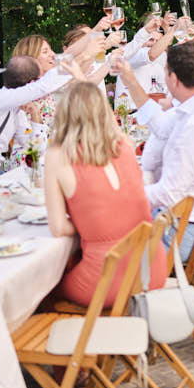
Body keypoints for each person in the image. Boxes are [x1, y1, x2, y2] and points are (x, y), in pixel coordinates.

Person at [44, 81, 165, 307]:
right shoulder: (125, 143)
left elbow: (58, 228)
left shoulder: (58, 155)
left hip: (107, 280)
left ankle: (91, 329)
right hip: (151, 269)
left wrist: (89, 225)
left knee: (44, 289)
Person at [114, 42, 194, 260]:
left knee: (105, 241)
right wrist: (129, 79)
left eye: (165, 71)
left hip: (185, 234)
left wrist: (121, 194)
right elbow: (161, 126)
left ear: (174, 79)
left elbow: (169, 194)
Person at [0, 52, 85, 194]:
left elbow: (34, 149)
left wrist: (35, 116)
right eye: (41, 78)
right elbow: (42, 88)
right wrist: (74, 68)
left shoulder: (16, 110)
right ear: (32, 83)